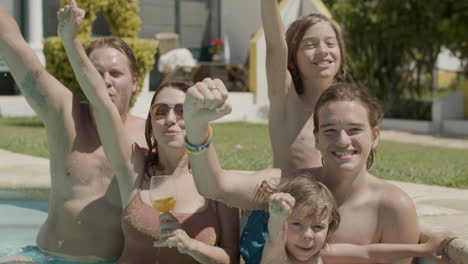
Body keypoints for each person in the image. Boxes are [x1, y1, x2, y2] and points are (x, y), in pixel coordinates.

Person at [57, 2, 239, 263]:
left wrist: (191, 246)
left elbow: (232, 258)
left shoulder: (220, 186)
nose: (171, 118)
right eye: (160, 111)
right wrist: (71, 42)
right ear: (151, 124)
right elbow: (102, 101)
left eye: (182, 110)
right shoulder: (136, 168)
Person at [183, 79, 423, 264]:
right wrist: (196, 127)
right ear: (316, 139)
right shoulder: (289, 185)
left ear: (375, 137)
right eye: (330, 130)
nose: (342, 140)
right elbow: (215, 186)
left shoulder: (393, 208)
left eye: (354, 129)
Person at [0, 3, 146, 263]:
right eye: (96, 72)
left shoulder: (149, 136)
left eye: (115, 73)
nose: (105, 81)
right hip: (46, 258)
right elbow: (11, 41)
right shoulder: (64, 116)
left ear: (134, 81)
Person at [259, 176, 455, 264]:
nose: (307, 235)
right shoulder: (277, 258)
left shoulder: (320, 255)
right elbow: (274, 239)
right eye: (296, 224)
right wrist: (277, 217)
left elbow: (369, 253)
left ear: (330, 228)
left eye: (318, 226)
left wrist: (423, 250)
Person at [262, 0, 346, 170]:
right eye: (310, 45)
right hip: (293, 193)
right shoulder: (286, 101)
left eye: (330, 43)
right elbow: (275, 46)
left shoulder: (350, 106)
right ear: (291, 59)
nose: (323, 50)